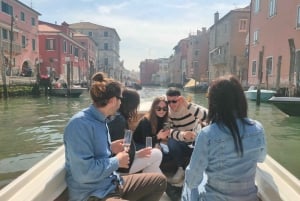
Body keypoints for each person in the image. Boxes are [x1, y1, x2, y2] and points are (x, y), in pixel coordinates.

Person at [64, 72, 167, 201]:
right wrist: (117, 160)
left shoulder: (102, 120)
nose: (121, 103)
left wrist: (111, 148)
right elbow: (84, 174)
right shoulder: (79, 125)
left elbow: (97, 154)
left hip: (111, 183)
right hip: (94, 194)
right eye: (120, 99)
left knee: (159, 182)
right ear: (113, 101)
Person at [182, 75, 267, 201]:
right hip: (249, 198)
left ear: (214, 103)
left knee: (188, 184)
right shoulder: (258, 129)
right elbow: (261, 158)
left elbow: (193, 180)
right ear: (241, 100)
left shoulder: (207, 134)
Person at [108, 88, 163, 174]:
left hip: (122, 161)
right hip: (122, 167)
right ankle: (151, 182)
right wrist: (136, 154)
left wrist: (137, 154)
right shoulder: (120, 121)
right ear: (132, 105)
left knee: (154, 158)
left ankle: (156, 182)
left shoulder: (116, 117)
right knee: (157, 154)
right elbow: (121, 149)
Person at [166, 87, 208, 185]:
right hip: (182, 143)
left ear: (180, 99)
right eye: (169, 102)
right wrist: (183, 135)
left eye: (174, 101)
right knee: (171, 141)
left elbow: (207, 116)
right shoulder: (168, 113)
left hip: (196, 143)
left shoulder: (190, 107)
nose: (171, 105)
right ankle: (180, 169)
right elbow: (167, 131)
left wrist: (188, 106)